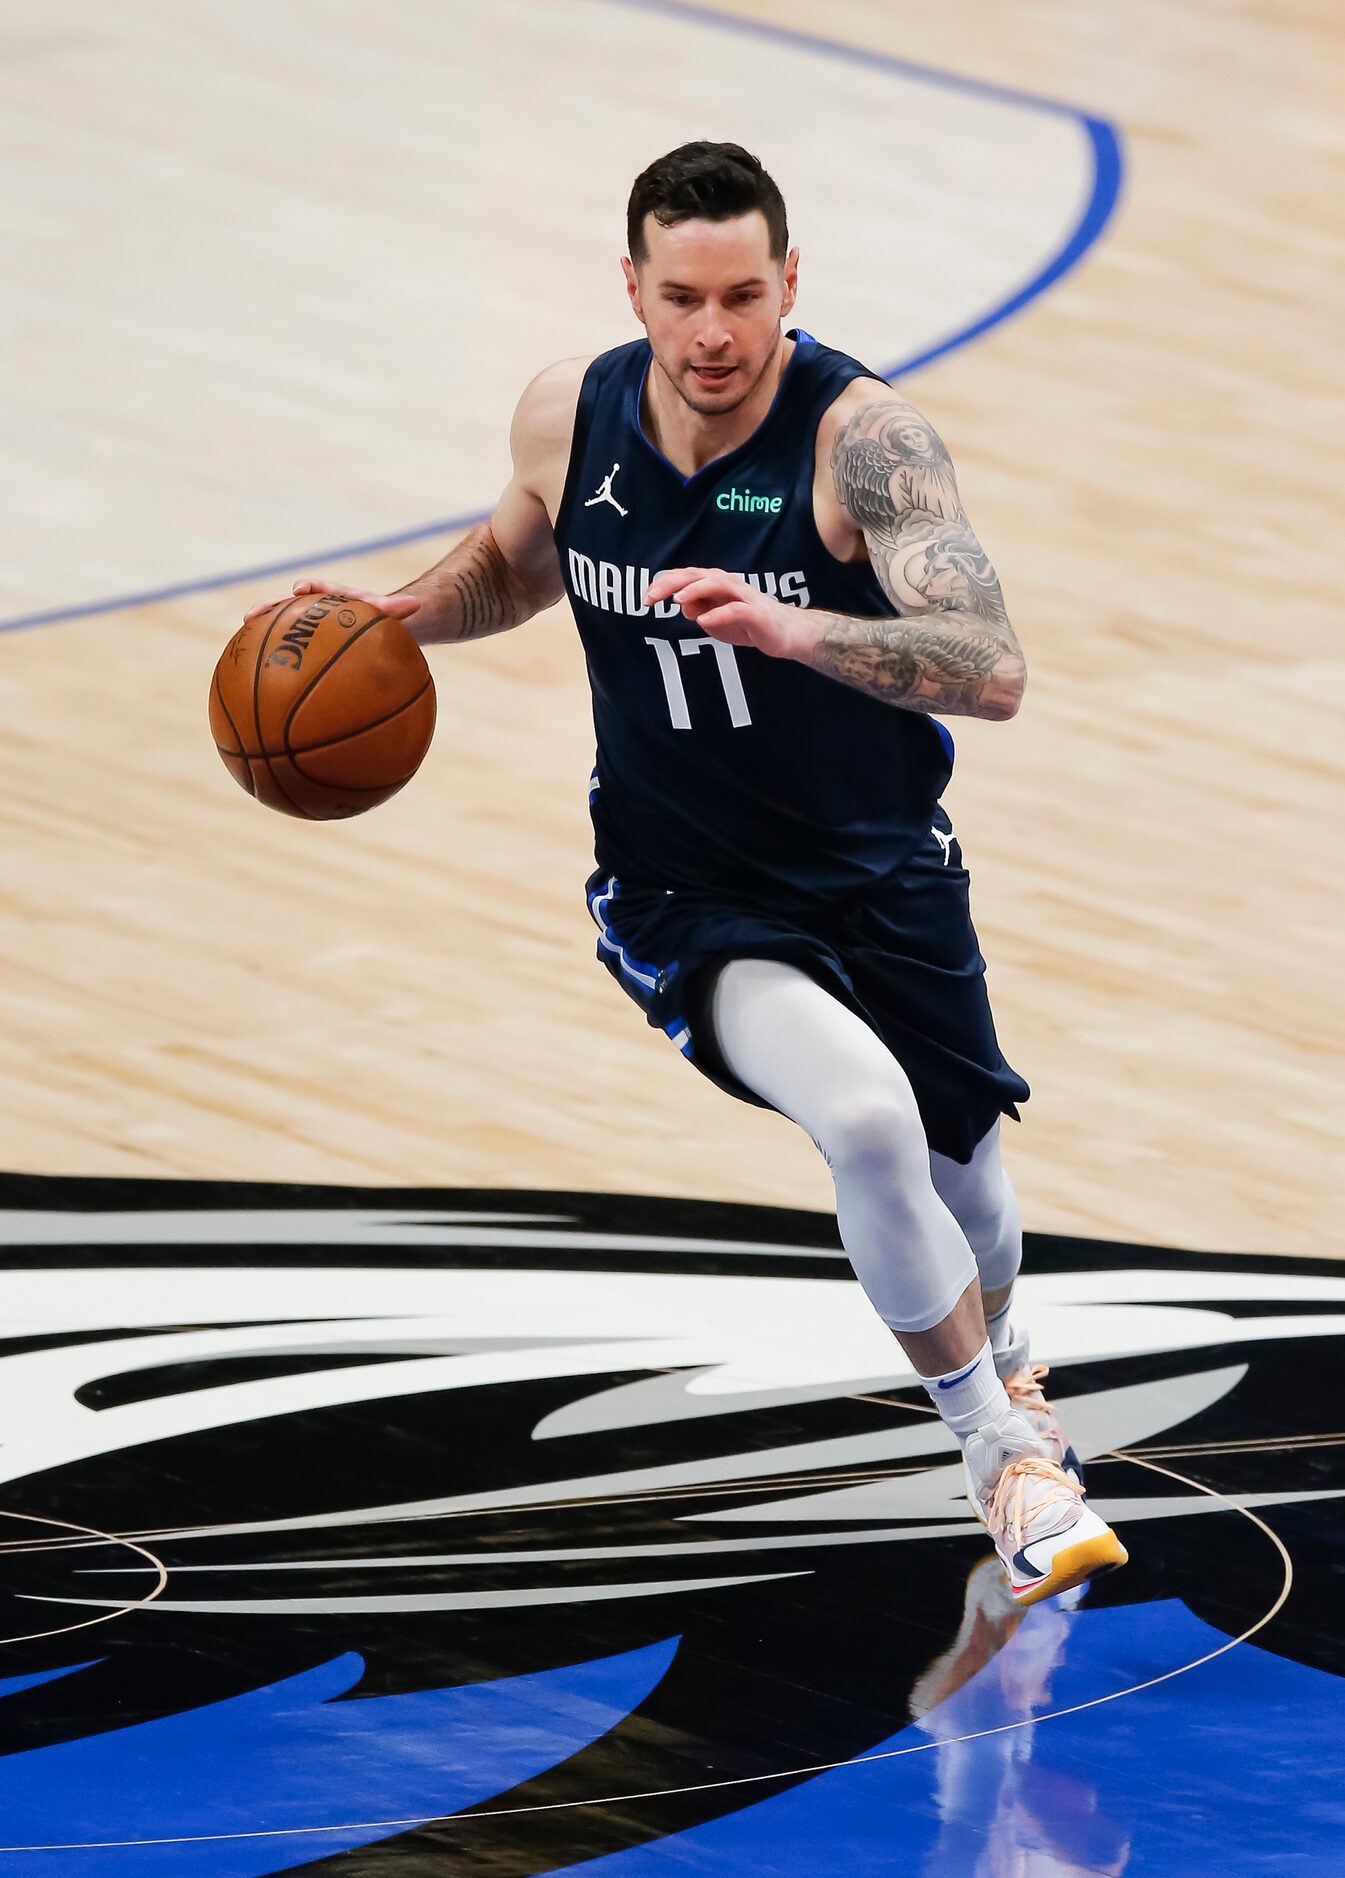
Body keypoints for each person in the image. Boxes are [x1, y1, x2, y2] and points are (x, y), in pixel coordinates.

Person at [245, 141, 1126, 1606]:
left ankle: (1007, 1352)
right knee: (864, 1117)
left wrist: (796, 631)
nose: (712, 332)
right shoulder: (568, 410)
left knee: (966, 1177)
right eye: (680, 297)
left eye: (742, 295)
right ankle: (999, 1457)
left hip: (881, 866)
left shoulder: (865, 442)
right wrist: (405, 616)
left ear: (790, 281)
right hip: (686, 887)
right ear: (632, 289)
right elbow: (520, 562)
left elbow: (991, 669)